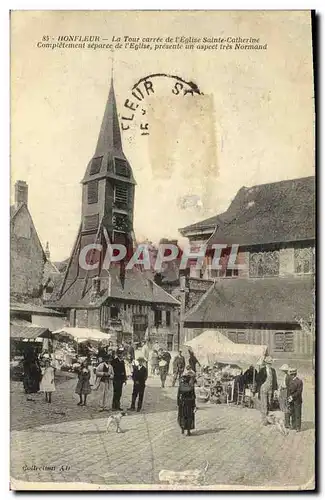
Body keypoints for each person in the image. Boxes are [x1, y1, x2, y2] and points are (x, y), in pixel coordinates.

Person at [256, 356, 278, 425]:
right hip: (264, 388)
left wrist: (275, 389)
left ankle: (268, 419)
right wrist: (261, 386)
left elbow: (275, 380)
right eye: (268, 363)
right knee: (264, 404)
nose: (269, 364)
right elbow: (258, 379)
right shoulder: (262, 370)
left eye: (270, 363)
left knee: (269, 403)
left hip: (270, 389)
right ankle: (264, 420)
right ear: (266, 363)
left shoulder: (273, 370)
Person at [287, 367, 303, 432]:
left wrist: (292, 397)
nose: (291, 376)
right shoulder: (290, 381)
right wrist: (288, 398)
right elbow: (288, 390)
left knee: (298, 414)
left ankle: (298, 427)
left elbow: (299, 392)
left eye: (291, 375)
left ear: (294, 374)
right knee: (292, 413)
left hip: (297, 400)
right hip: (291, 400)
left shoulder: (299, 381)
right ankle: (293, 425)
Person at [278, 364, 290, 428]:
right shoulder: (285, 376)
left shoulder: (287, 376)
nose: (282, 371)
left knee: (286, 406)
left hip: (285, 391)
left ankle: (287, 423)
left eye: (283, 370)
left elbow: (287, 386)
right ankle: (286, 422)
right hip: (283, 391)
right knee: (283, 405)